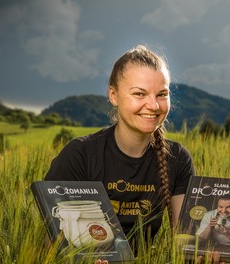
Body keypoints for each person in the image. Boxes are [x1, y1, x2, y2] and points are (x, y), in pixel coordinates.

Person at [45, 45, 195, 249]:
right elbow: (51, 244)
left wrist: (204, 253)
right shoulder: (80, 155)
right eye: (139, 94)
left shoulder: (177, 158)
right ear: (113, 95)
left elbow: (184, 242)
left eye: (161, 94)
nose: (153, 105)